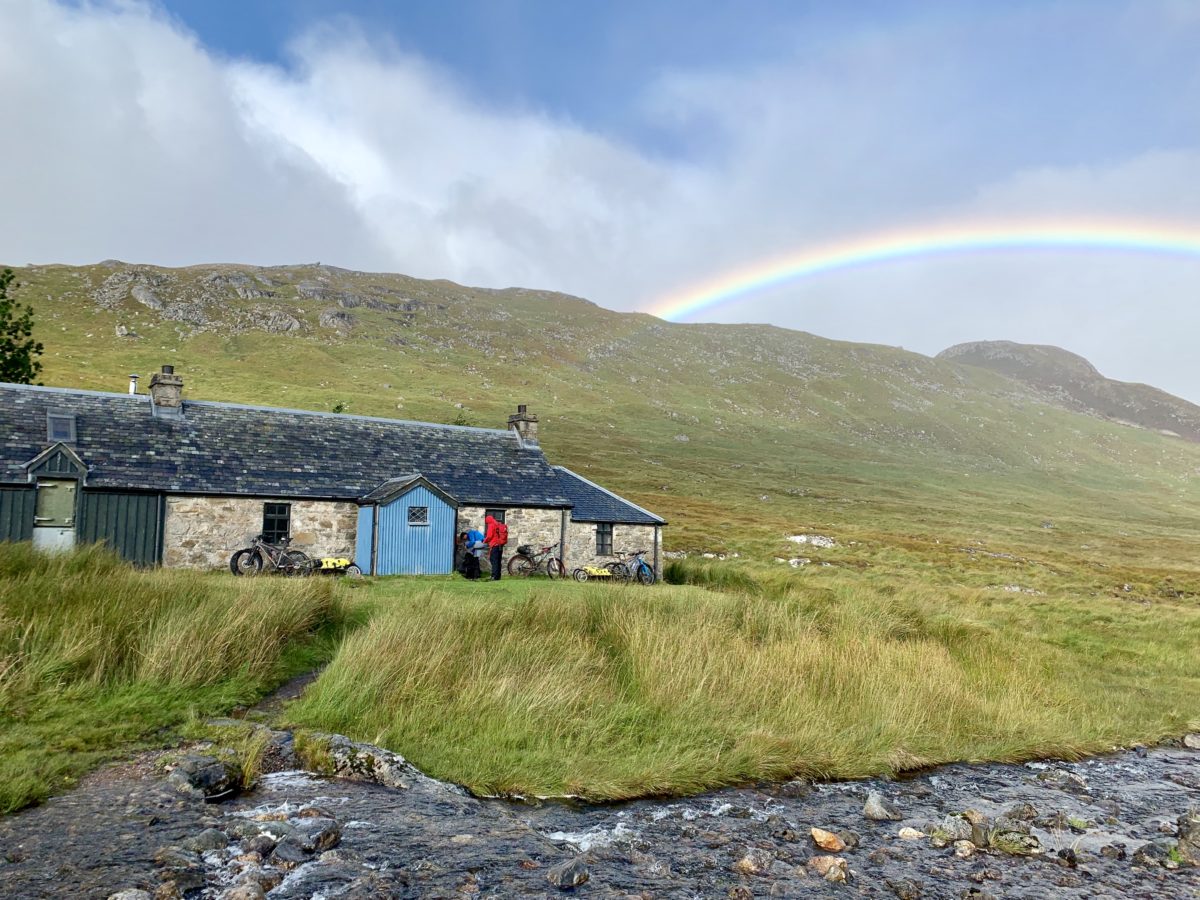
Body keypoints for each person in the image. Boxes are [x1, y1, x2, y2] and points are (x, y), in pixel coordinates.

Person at [483, 514, 508, 581]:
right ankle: (498, 576)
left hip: (495, 545)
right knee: (498, 561)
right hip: (500, 545)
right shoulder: (497, 524)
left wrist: (484, 541)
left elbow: (489, 536)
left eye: (486, 522)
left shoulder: (491, 525)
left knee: (493, 560)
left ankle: (494, 576)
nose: (487, 523)